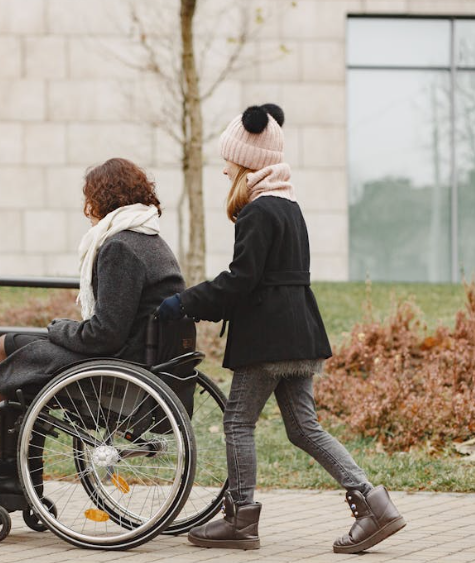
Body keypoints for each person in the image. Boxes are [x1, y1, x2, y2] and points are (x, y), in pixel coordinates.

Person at [157, 104, 406, 553]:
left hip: (268, 338)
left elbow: (240, 281)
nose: (224, 167)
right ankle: (374, 505)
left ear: (249, 159)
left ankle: (240, 520)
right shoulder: (289, 206)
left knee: (237, 422)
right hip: (300, 332)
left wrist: (184, 303)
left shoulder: (257, 211)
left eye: (229, 158)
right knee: (303, 428)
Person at [0, 157, 185, 500]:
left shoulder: (120, 246)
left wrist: (59, 328)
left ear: (102, 198)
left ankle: (13, 478)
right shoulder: (150, 239)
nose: (85, 207)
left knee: (4, 346)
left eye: (88, 197)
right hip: (142, 363)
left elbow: (105, 335)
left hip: (118, 371)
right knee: (19, 349)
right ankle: (20, 477)